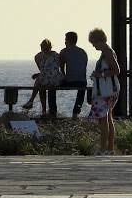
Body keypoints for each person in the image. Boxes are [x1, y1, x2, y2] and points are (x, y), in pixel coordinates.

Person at [87, 27, 120, 155]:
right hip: (110, 91)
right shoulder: (108, 52)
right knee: (108, 118)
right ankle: (110, 149)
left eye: (94, 43)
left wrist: (99, 74)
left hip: (104, 93)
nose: (94, 46)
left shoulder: (107, 53)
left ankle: (103, 149)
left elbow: (116, 70)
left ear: (99, 40)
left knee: (102, 119)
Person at [48, 31, 89, 118]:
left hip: (69, 81)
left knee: (51, 88)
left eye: (66, 40)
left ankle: (53, 112)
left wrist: (65, 77)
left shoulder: (64, 52)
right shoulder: (83, 52)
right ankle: (76, 112)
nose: (65, 42)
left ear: (69, 40)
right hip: (82, 81)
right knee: (82, 89)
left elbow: (61, 69)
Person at [22, 38, 63, 115]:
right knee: (41, 83)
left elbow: (42, 70)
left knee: (40, 84)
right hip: (56, 80)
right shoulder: (57, 55)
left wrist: (39, 74)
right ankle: (34, 103)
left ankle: (36, 104)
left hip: (45, 80)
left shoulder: (38, 56)